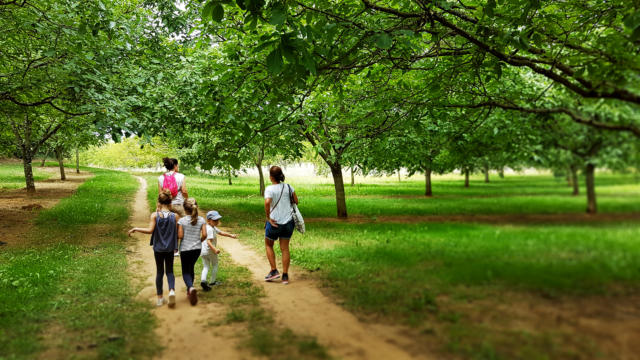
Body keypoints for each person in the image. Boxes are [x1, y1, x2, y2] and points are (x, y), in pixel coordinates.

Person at [128, 189, 178, 307]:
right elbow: (177, 233)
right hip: (170, 248)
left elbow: (150, 230)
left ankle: (160, 298)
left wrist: (136, 228)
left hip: (158, 249)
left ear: (159, 202)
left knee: (160, 272)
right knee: (170, 271)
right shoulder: (175, 216)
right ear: (170, 203)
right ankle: (171, 291)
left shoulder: (155, 215)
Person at [263, 166, 298, 285]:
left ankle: (274, 270)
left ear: (271, 177)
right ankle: (285, 276)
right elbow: (296, 201)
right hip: (288, 222)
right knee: (285, 248)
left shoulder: (269, 189)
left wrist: (268, 217)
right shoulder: (288, 187)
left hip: (274, 222)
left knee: (268, 244)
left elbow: (267, 202)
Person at [178, 198, 206, 305]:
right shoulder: (201, 220)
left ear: (185, 209)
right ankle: (190, 290)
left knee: (185, 271)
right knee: (191, 268)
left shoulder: (182, 221)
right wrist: (198, 241)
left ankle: (190, 288)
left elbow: (180, 236)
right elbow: (204, 235)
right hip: (197, 249)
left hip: (185, 249)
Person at [200, 210, 237, 291]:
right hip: (210, 251)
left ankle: (203, 280)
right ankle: (212, 282)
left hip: (203, 251)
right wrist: (215, 249)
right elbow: (208, 241)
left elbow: (221, 232)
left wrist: (231, 235)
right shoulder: (210, 229)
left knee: (206, 266)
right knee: (215, 264)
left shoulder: (209, 227)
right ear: (208, 220)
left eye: (217, 220)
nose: (217, 222)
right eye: (215, 220)